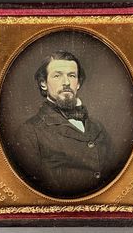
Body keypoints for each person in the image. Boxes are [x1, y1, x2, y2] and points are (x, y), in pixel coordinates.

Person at [12, 51, 116, 199]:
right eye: (57, 75)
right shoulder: (29, 132)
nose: (66, 82)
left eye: (72, 76)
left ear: (78, 83)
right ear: (43, 83)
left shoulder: (98, 127)